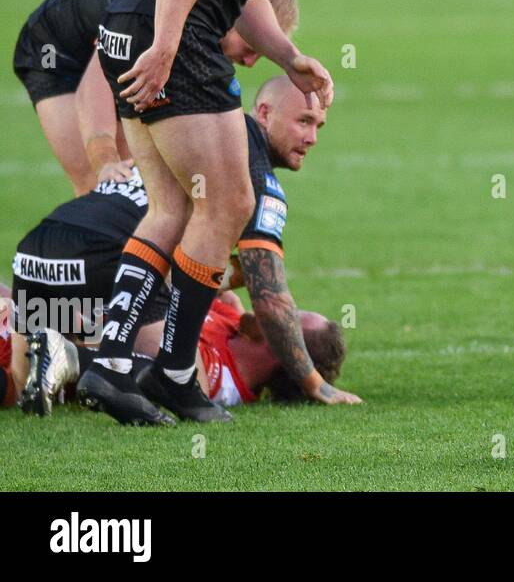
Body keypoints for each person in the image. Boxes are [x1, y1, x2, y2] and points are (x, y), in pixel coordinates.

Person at [77, 0, 362, 426]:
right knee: (230, 200)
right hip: (171, 31)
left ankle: (110, 363)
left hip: (135, 20)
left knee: (174, 204)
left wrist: (290, 57)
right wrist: (169, 45)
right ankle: (176, 371)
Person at [7, 75, 360, 420]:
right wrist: (315, 384)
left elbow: (203, 270)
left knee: (20, 380)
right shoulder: (256, 176)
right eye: (304, 121)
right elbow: (270, 298)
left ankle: (60, 347)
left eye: (319, 127)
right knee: (179, 369)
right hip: (103, 260)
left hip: (37, 256)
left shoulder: (196, 127)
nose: (312, 138)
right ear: (264, 113)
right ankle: (74, 356)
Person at [14, 0, 298, 196]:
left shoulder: (206, 8)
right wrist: (105, 160)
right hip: (55, 50)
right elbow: (93, 90)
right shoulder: (167, 11)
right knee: (103, 186)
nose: (250, 63)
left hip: (117, 40)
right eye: (251, 47)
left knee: (139, 185)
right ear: (237, 16)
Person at [19, 294, 347, 417]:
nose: (279, 305)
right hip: (58, 312)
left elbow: (148, 325)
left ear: (282, 351)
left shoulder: (215, 382)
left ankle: (68, 357)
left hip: (39, 347)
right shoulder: (234, 321)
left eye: (289, 316)